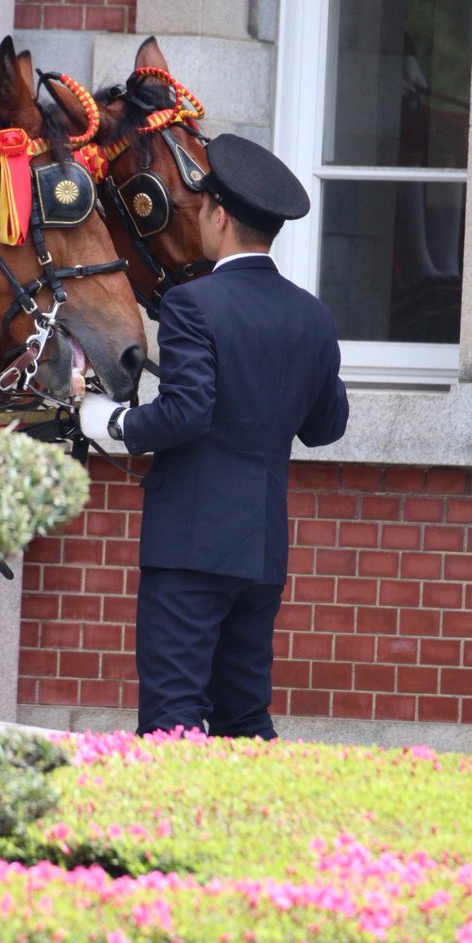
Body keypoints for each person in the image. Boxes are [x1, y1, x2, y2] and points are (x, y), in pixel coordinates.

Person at [79, 133, 349, 739]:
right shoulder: (314, 316)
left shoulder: (191, 304)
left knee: (173, 719)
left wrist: (106, 419)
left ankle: (175, 834)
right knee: (243, 716)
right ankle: (248, 833)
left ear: (219, 215)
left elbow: (186, 412)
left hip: (190, 548)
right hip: (260, 551)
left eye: (202, 208)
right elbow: (326, 426)